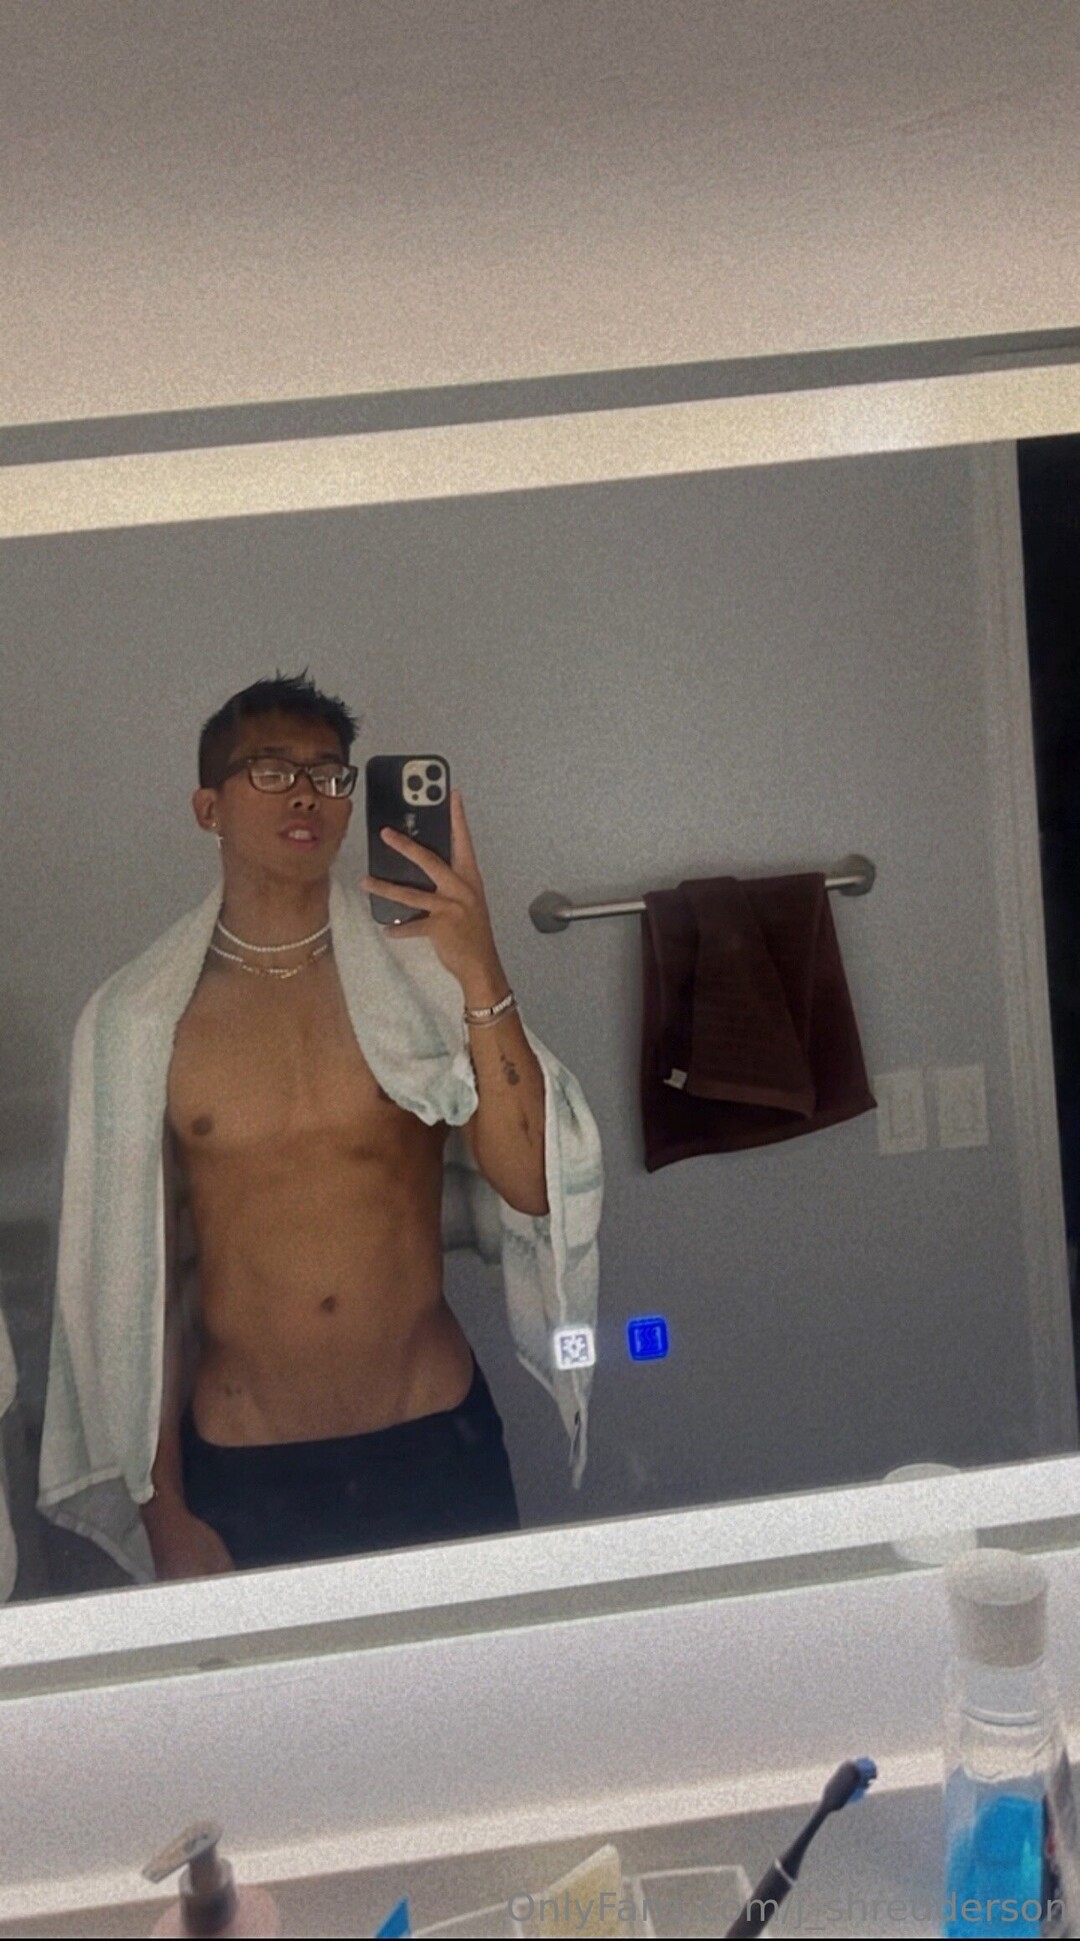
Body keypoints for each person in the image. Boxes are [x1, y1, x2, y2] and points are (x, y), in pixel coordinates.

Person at [38, 672, 602, 1580]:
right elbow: (135, 1286)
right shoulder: (140, 1022)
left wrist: (479, 963)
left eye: (329, 773)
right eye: (270, 769)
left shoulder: (423, 981)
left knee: (474, 1674)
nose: (305, 792)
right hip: (246, 1463)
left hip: (434, 1436)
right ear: (208, 808)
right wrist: (166, 1510)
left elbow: (534, 1184)